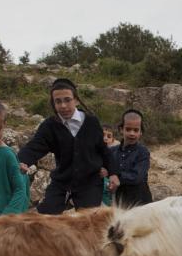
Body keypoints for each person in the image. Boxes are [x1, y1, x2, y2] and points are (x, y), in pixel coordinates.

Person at [17, 78, 119, 213]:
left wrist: (113, 173)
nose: (63, 105)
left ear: (76, 100)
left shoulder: (91, 122)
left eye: (67, 100)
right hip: (62, 181)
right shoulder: (50, 126)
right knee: (47, 216)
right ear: (53, 104)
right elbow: (35, 146)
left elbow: (103, 150)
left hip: (90, 182)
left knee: (87, 222)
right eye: (58, 101)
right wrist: (22, 160)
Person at [110, 109, 152, 207]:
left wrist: (114, 175)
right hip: (120, 202)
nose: (132, 133)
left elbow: (136, 177)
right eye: (128, 129)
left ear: (141, 132)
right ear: (121, 129)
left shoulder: (143, 152)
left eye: (136, 130)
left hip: (141, 204)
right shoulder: (112, 151)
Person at [101, 126, 118, 206]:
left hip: (110, 191)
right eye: (102, 135)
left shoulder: (115, 154)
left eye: (109, 136)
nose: (105, 138)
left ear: (113, 140)